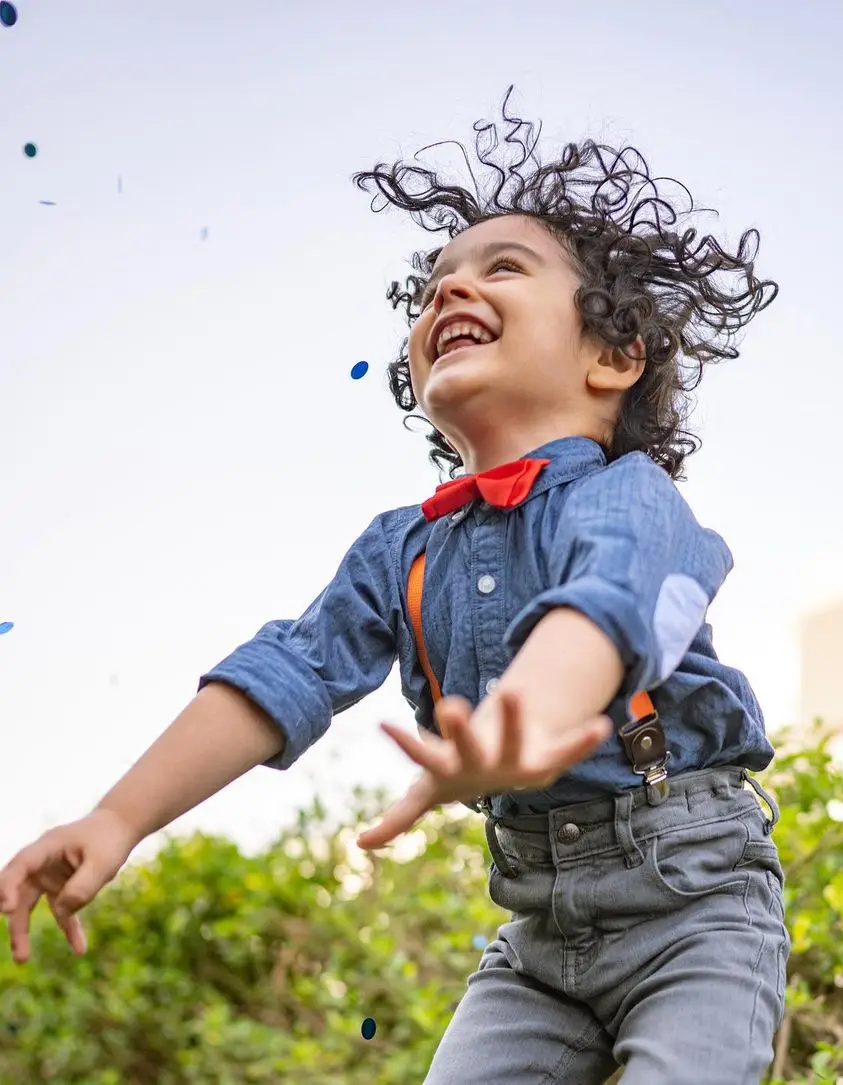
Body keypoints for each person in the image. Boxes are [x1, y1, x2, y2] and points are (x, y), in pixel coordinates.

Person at [0, 87, 789, 1084]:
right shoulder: (403, 548)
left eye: (503, 267)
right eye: (434, 284)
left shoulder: (632, 498)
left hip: (695, 906)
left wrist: (522, 715)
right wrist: (117, 816)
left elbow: (611, 607)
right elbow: (288, 667)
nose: (450, 292)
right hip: (538, 941)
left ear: (613, 354)